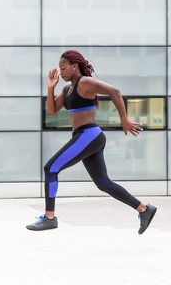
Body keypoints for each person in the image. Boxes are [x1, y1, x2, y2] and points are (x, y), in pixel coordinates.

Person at [26, 50, 157, 234]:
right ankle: (144, 209)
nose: (61, 72)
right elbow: (52, 110)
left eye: (63, 68)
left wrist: (124, 120)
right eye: (59, 68)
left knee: (51, 168)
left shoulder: (84, 83)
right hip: (86, 136)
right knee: (103, 183)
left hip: (89, 134)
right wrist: (50, 87)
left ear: (74, 66)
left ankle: (49, 218)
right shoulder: (67, 89)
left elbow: (114, 91)